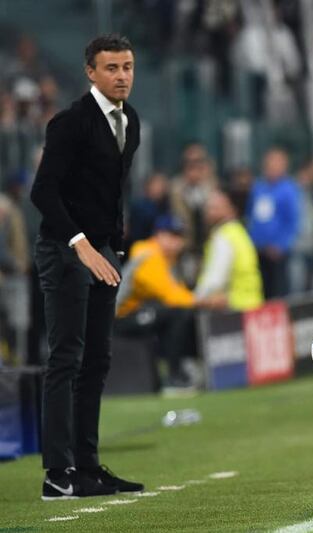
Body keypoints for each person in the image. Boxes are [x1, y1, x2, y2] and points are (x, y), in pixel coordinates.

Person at [30, 34, 143, 500]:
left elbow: (110, 191)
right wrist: (80, 245)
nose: (122, 76)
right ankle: (58, 473)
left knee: (96, 361)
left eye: (128, 67)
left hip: (103, 253)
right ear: (90, 73)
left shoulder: (129, 120)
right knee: (66, 359)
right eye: (112, 68)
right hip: (66, 250)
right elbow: (43, 192)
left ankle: (88, 466)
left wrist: (113, 244)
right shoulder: (70, 123)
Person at [115, 215, 199, 390]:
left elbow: (177, 291)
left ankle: (182, 369)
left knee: (177, 313)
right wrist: (202, 301)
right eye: (172, 235)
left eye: (180, 236)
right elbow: (169, 295)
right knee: (177, 313)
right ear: (159, 235)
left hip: (139, 311)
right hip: (119, 317)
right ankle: (174, 376)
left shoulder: (169, 259)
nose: (178, 242)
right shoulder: (147, 252)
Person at [195, 187, 264, 312]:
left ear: (232, 210)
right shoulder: (239, 232)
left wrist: (197, 297)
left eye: (215, 208)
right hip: (251, 304)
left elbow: (215, 278)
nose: (209, 212)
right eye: (208, 207)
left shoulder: (223, 237)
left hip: (232, 307)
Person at [247, 147, 302, 299]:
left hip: (277, 252)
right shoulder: (259, 187)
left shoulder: (288, 189)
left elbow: (292, 221)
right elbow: (251, 215)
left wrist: (281, 244)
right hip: (258, 249)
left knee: (278, 291)